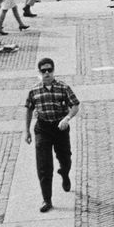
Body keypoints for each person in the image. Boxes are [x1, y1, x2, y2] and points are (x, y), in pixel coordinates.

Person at [24, 57, 80, 213]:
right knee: (43, 165)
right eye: (43, 71)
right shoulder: (34, 90)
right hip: (43, 128)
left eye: (50, 70)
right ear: (39, 72)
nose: (47, 73)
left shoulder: (63, 88)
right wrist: (27, 130)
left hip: (60, 128)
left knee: (65, 157)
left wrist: (67, 118)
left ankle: (65, 173)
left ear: (54, 71)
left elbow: (75, 105)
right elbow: (28, 108)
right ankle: (46, 199)